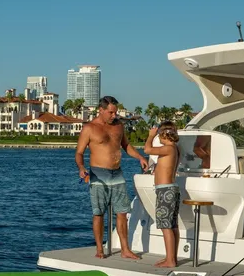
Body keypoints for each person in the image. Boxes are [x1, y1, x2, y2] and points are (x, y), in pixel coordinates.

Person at [76, 96, 149, 259]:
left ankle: (125, 250)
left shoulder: (119, 126)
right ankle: (99, 249)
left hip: (117, 174)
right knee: (98, 213)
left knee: (122, 212)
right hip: (98, 175)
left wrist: (140, 157)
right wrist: (81, 168)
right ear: (100, 110)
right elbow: (79, 152)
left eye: (115, 112)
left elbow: (126, 146)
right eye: (110, 112)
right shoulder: (89, 128)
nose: (114, 115)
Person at [144, 122, 181, 267]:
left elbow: (147, 149)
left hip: (165, 190)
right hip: (171, 188)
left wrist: (150, 136)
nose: (157, 137)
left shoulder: (168, 149)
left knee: (166, 226)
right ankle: (172, 258)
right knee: (172, 225)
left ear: (165, 134)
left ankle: (170, 260)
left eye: (159, 135)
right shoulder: (176, 149)